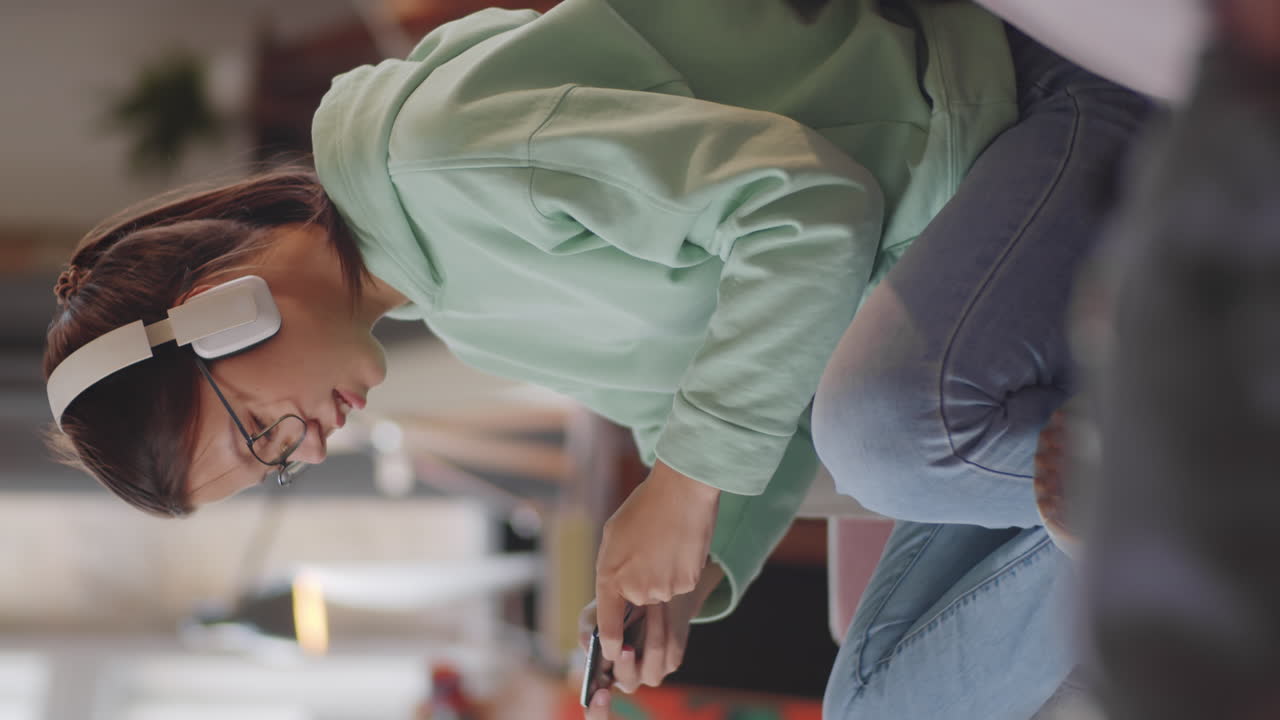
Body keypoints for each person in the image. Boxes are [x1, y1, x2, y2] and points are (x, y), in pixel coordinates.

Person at [41, 0, 1146, 717]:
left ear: (222, 311)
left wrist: (682, 485)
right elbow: (718, 407)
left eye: (257, 432)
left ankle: (1198, 473)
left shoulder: (445, 155)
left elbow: (806, 208)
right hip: (969, 292)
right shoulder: (457, 310)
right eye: (278, 466)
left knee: (882, 435)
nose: (306, 446)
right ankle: (1160, 473)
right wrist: (688, 566)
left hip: (1010, 128)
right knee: (876, 699)